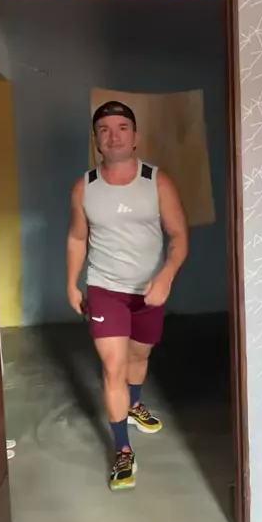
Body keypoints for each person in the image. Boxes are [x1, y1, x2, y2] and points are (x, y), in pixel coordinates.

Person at [66, 100, 188, 490]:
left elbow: (179, 237)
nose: (113, 135)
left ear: (135, 137)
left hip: (149, 291)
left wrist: (166, 276)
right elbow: (77, 238)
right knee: (113, 366)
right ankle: (122, 449)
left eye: (122, 128)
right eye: (104, 129)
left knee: (139, 356)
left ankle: (134, 404)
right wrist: (71, 282)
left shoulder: (157, 182)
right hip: (105, 289)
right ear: (96, 139)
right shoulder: (85, 187)